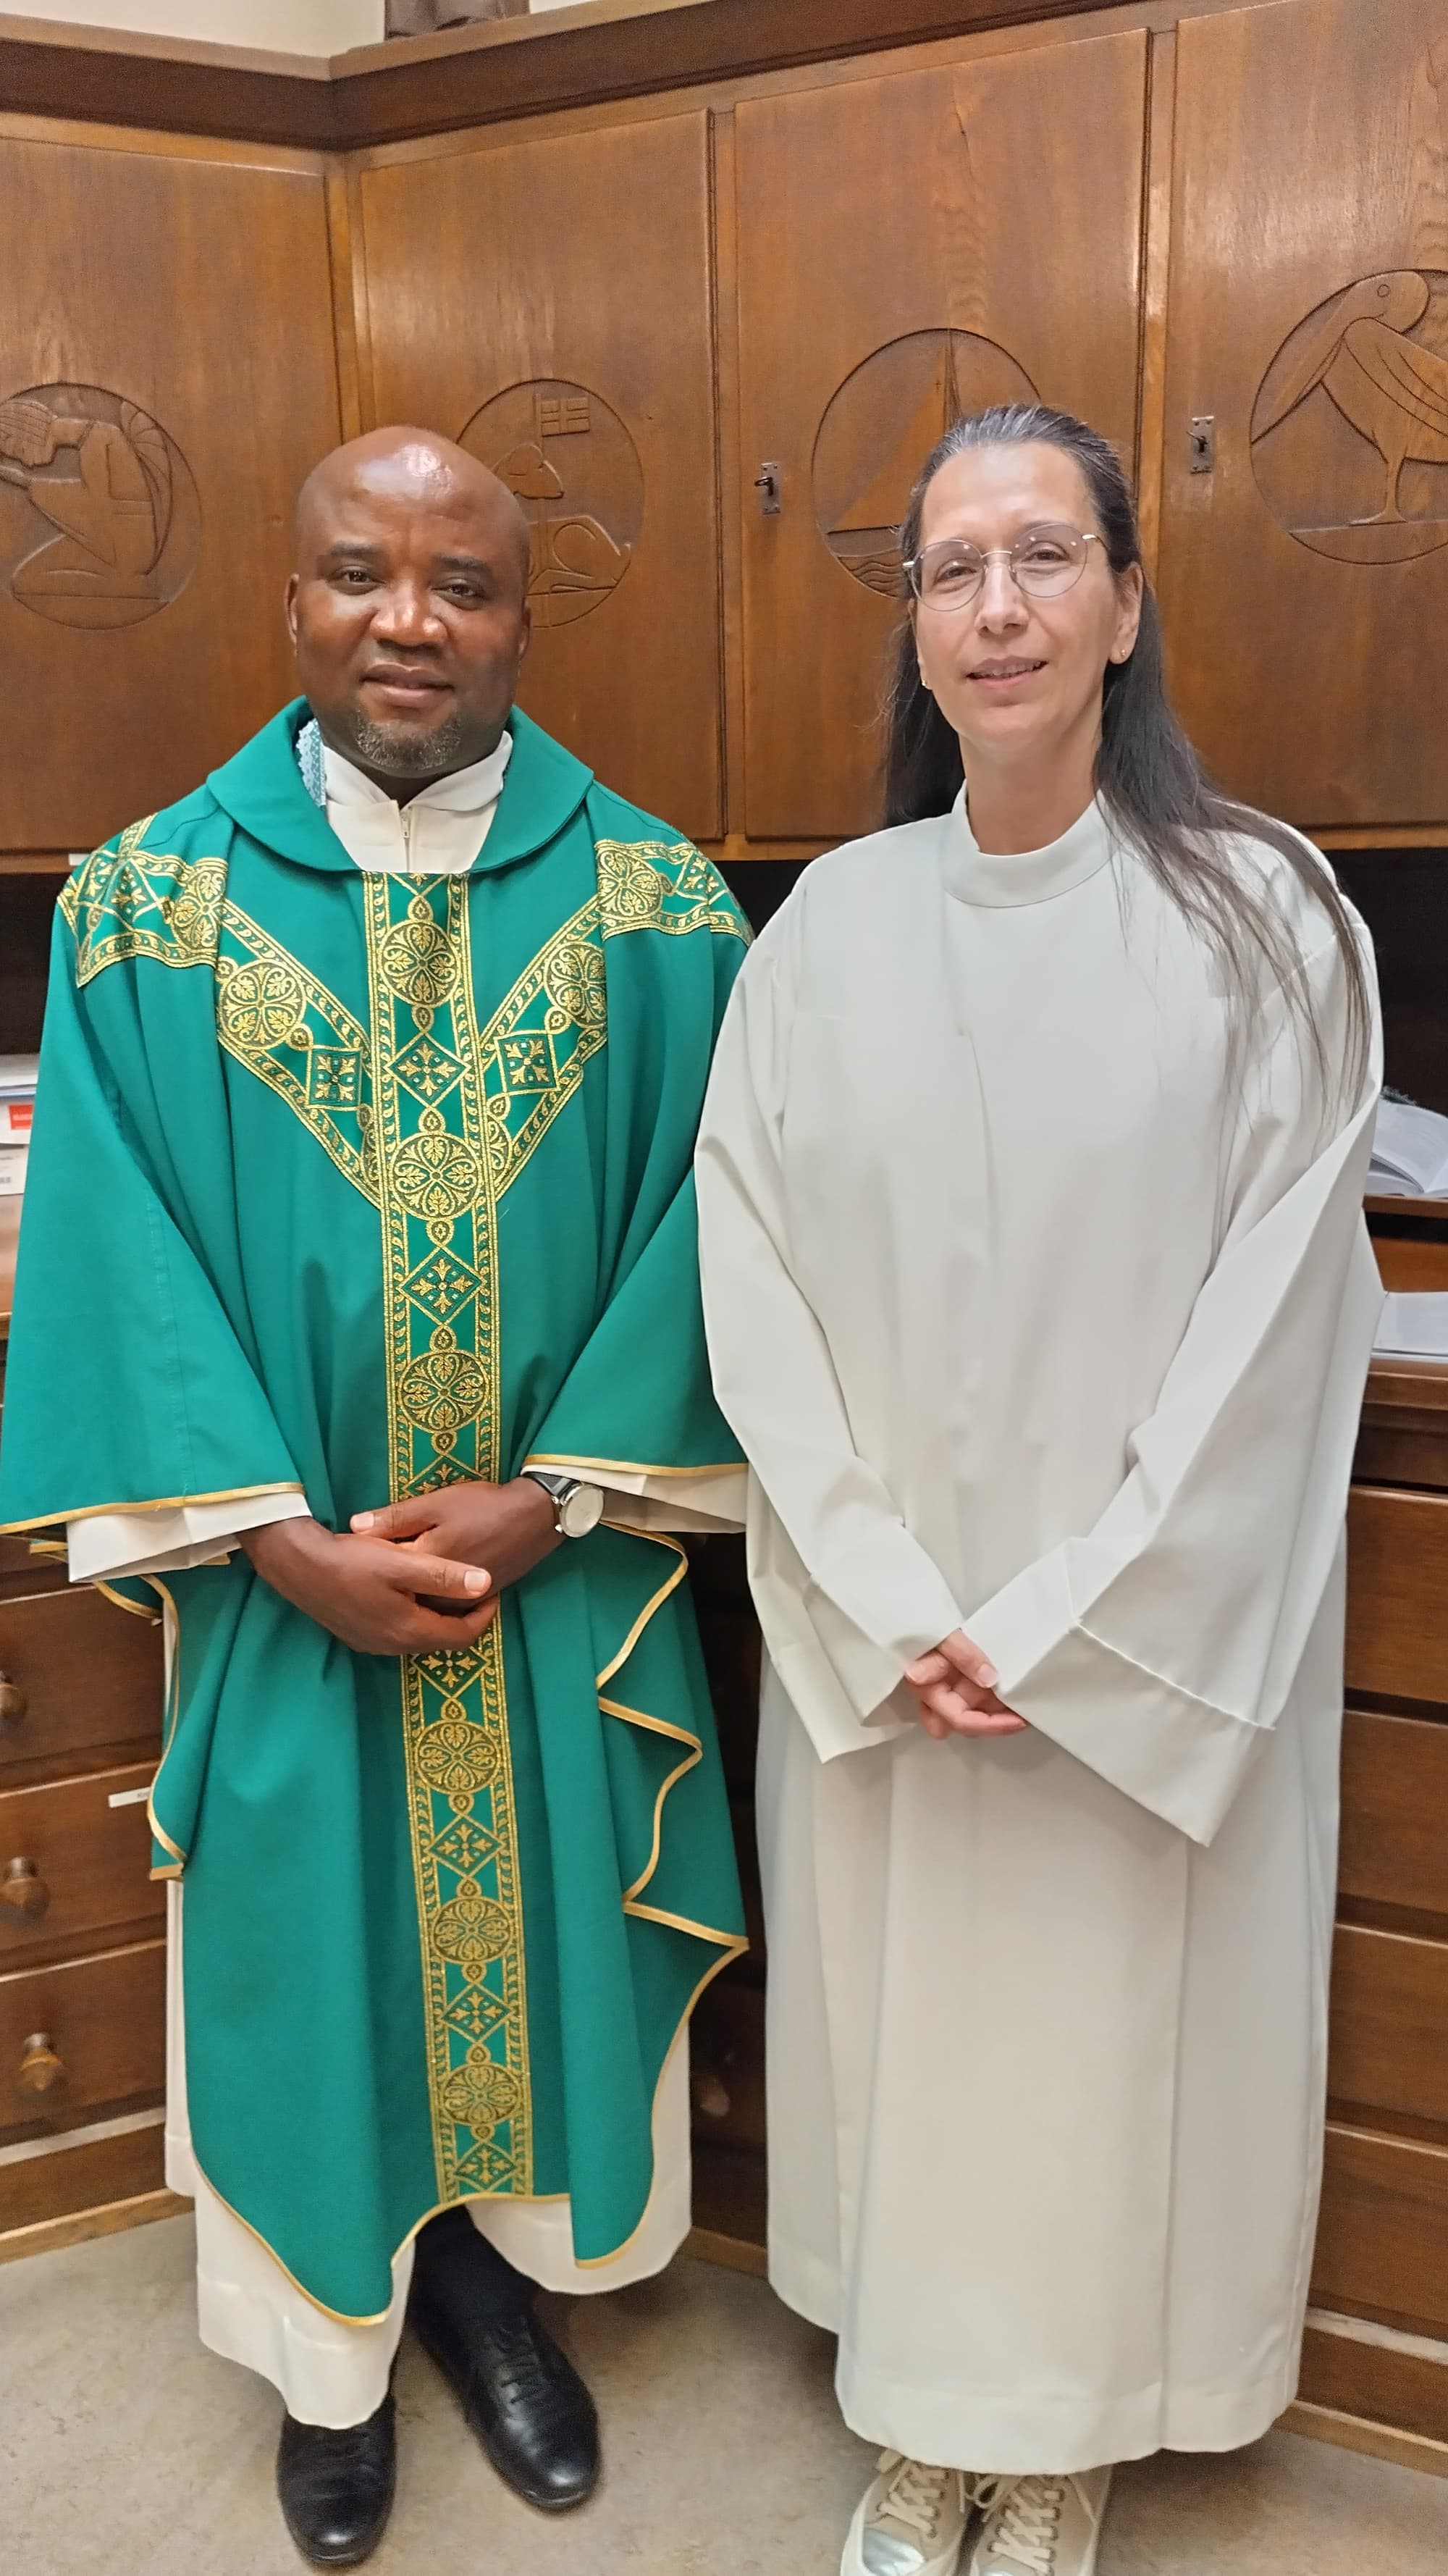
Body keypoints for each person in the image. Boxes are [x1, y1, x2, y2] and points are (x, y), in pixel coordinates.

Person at [0, 427, 751, 2567]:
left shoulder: (662, 912)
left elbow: (718, 1226)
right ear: (293, 602)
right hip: (288, 1579)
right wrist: (276, 1539)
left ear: (522, 620)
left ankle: (501, 2302)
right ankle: (328, 2363)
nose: (408, 621)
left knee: (541, 1944)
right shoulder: (141, 915)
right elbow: (117, 1261)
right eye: (360, 573)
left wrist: (557, 1496)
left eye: (462, 584)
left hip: (551, 1575)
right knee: (303, 1960)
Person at [694, 403, 1381, 2576]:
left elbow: (1284, 1320)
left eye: (1044, 557)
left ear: (1125, 605)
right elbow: (751, 1284)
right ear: (913, 624)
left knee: (1100, 2052)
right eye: (950, 569)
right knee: (918, 2040)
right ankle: (925, 2425)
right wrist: (895, 1601)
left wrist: (1073, 1619)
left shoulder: (1265, 919)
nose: (996, 608)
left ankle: (1060, 2442)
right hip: (897, 1641)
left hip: (1136, 1652)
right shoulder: (824, 934)